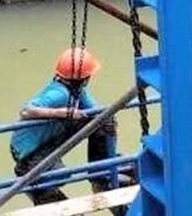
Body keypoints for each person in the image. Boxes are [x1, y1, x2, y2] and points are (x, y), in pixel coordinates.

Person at [10, 47, 116, 203]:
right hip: (28, 150)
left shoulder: (78, 90)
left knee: (105, 122)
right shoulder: (60, 93)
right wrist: (62, 112)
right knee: (61, 175)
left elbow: (96, 113)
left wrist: (109, 120)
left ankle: (101, 168)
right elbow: (26, 111)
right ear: (84, 78)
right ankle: (28, 172)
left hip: (50, 137)